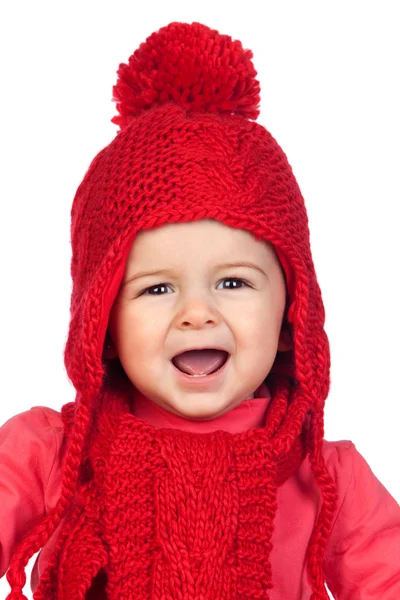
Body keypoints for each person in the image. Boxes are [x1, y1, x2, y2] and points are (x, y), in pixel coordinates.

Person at [0, 20, 399, 600]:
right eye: (156, 289)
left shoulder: (324, 477)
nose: (197, 313)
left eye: (234, 282)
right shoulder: (52, 453)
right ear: (102, 328)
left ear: (292, 318)